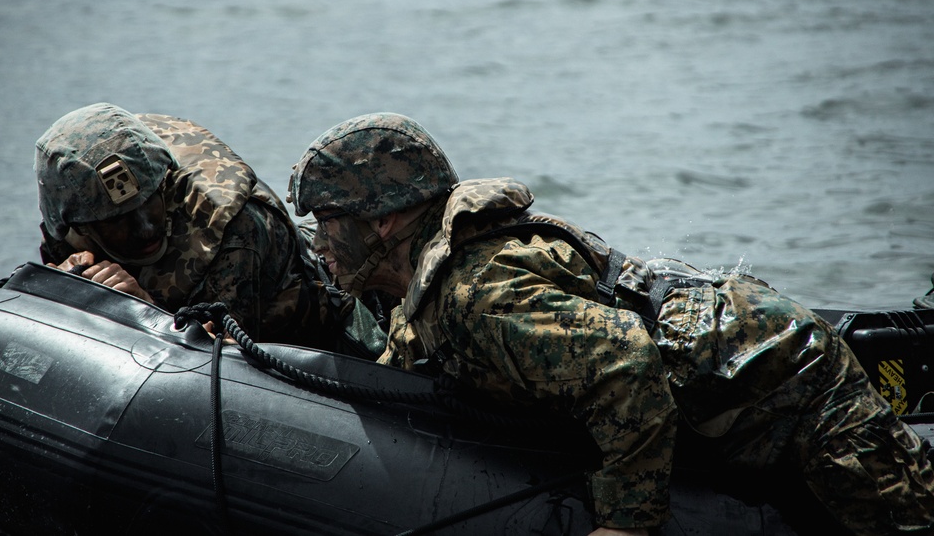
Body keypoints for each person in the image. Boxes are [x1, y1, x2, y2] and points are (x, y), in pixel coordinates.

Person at [286, 112, 934, 536]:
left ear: (385, 220)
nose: (319, 241)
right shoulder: (432, 290)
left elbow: (625, 364)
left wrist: (627, 523)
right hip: (731, 376)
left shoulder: (476, 294)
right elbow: (403, 363)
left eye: (327, 220)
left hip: (782, 377)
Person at [35, 102, 386, 358]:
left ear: (164, 183)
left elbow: (226, 366)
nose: (143, 229)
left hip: (318, 316)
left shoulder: (233, 231)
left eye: (149, 203)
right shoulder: (74, 206)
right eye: (118, 220)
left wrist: (141, 309)